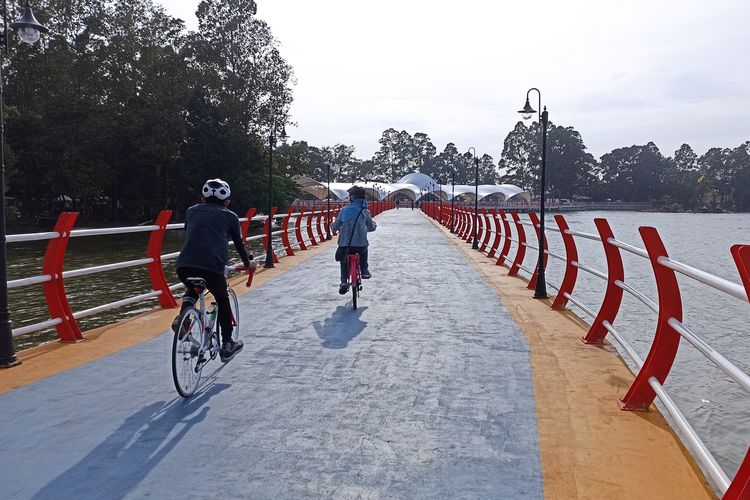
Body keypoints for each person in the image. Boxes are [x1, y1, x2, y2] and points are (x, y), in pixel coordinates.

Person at [173, 178, 257, 362]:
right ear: (227, 202)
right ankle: (227, 344)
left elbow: (194, 234)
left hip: (184, 265)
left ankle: (183, 319)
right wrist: (248, 263)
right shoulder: (230, 216)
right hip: (213, 267)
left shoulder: (191, 211)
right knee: (222, 298)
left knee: (193, 286)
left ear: (203, 199)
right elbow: (239, 245)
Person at [332, 186, 377, 295]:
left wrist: (333, 226)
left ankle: (343, 282)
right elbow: (370, 226)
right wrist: (373, 226)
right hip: (360, 244)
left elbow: (335, 226)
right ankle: (364, 270)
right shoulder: (364, 211)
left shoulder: (344, 210)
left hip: (345, 244)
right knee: (364, 249)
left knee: (344, 260)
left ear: (351, 198)